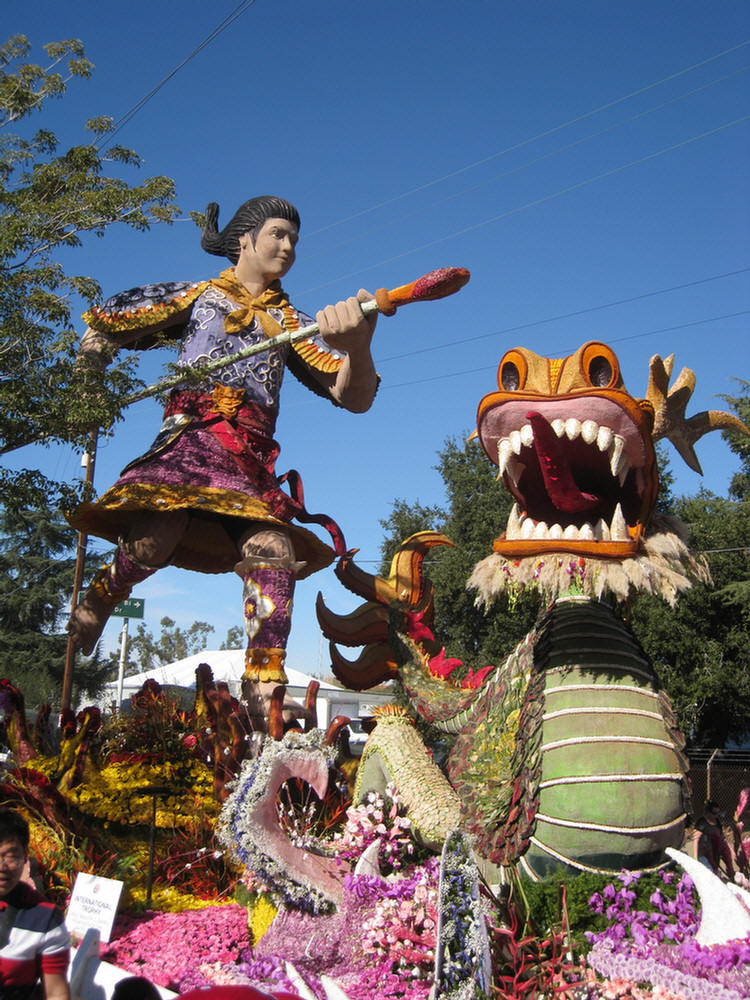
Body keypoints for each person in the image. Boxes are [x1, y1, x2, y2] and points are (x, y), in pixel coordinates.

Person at [67, 196, 378, 729]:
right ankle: (100, 596)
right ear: (244, 240)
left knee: (275, 549)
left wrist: (360, 347)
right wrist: (88, 372)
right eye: (279, 234)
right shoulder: (200, 296)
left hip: (248, 464)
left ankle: (264, 687)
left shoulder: (295, 325)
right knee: (157, 533)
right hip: (189, 445)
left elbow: (354, 395)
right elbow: (106, 323)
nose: (288, 247)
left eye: (295, 241)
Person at [0, 809, 70, 1000]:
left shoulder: (44, 918)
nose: (2, 866)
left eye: (11, 856)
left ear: (25, 857)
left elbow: (56, 993)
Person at [696, 799, 735, 879]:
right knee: (710, 873)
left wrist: (731, 850)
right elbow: (696, 839)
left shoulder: (717, 821)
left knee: (715, 872)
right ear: (708, 812)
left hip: (715, 851)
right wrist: (695, 855)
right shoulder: (702, 822)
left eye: (718, 813)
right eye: (714, 813)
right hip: (704, 852)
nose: (716, 815)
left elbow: (722, 837)